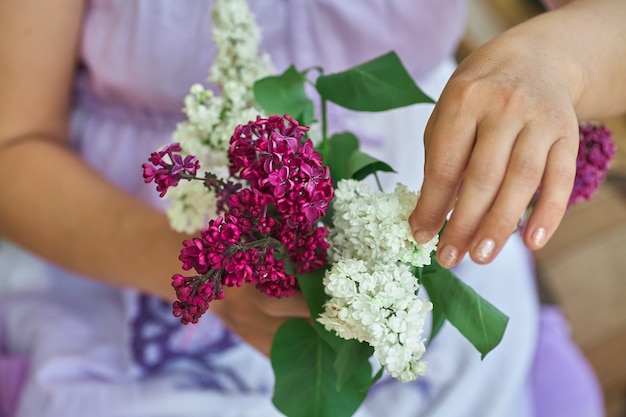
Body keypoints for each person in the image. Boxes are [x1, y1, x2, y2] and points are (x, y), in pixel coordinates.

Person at [0, 0, 620, 416]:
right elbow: (14, 142)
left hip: (411, 201)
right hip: (127, 226)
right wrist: (217, 273)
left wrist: (555, 59)